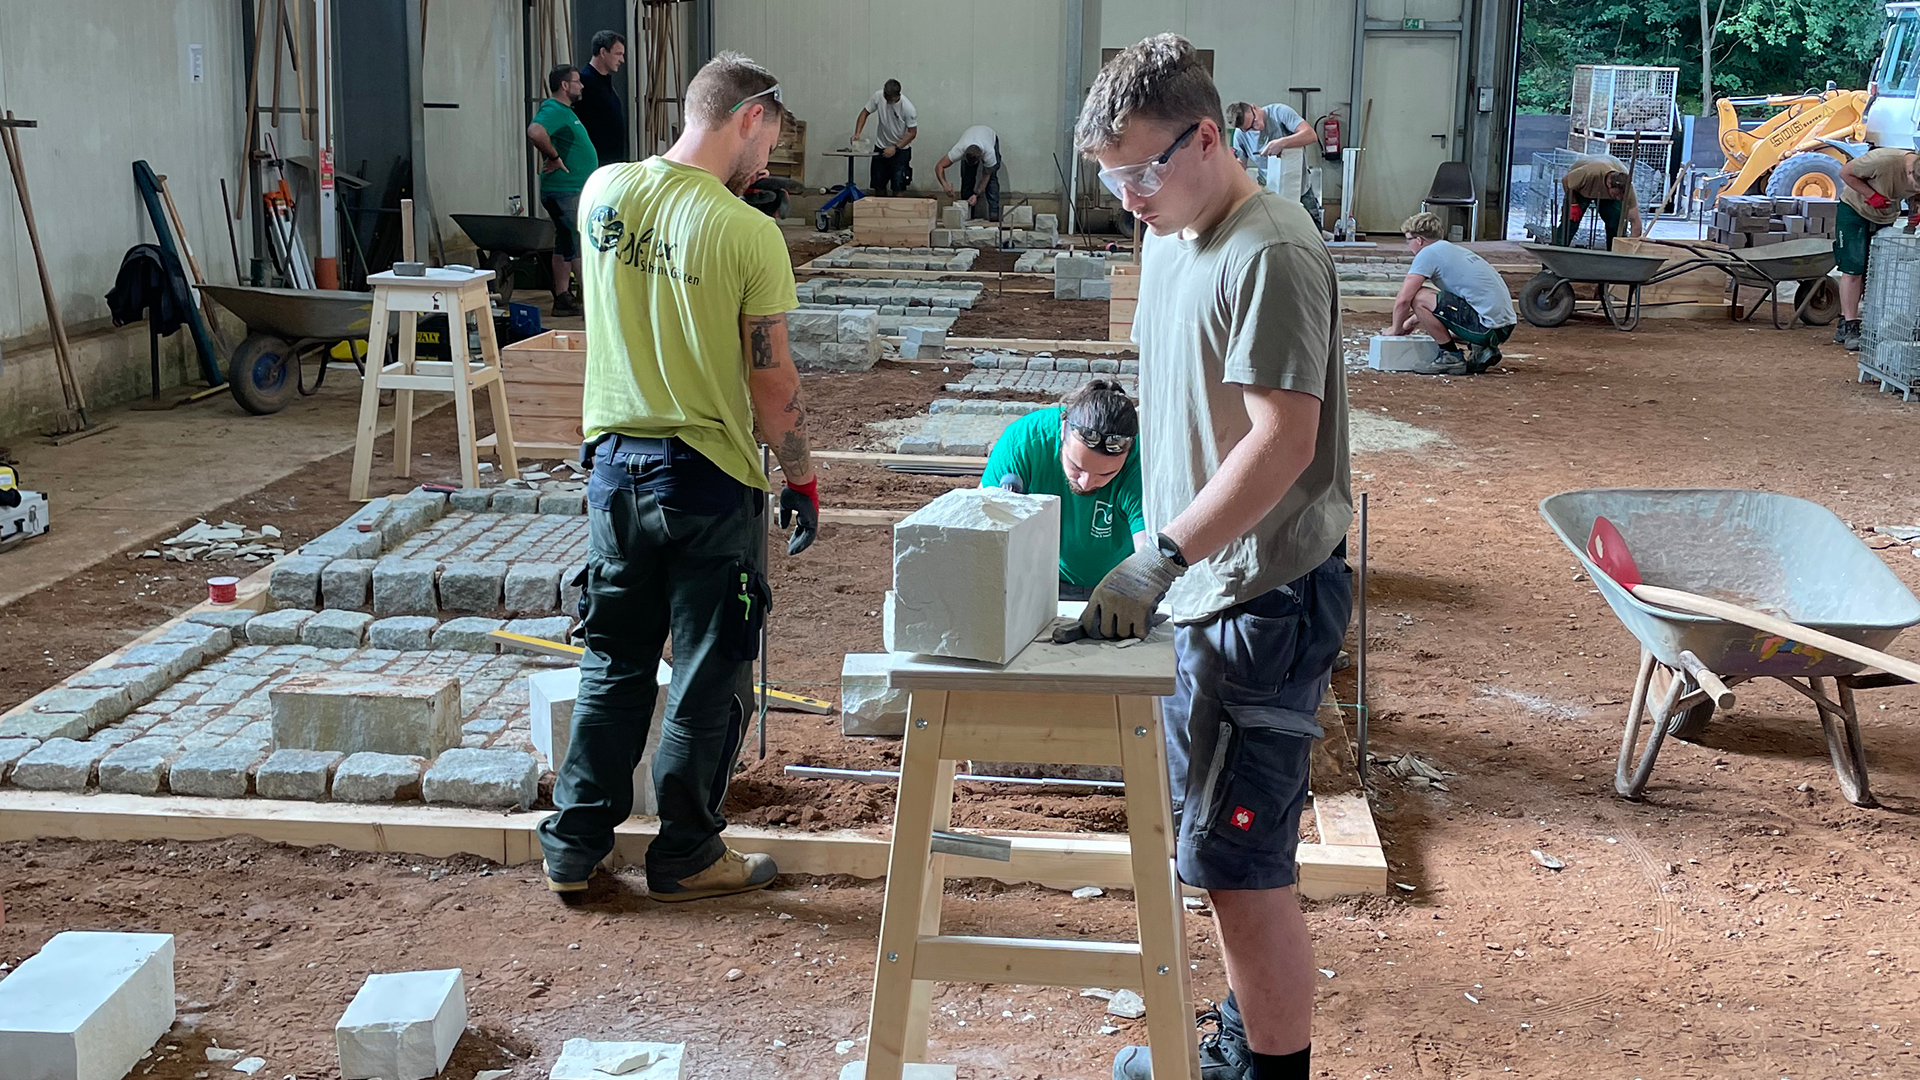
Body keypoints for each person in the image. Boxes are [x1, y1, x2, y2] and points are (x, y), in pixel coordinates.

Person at [1076, 34, 1353, 1080]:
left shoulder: (1268, 249)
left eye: (1143, 169)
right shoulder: (1167, 236)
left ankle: (1264, 1072)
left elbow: (1283, 440)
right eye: (1111, 177)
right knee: (1211, 849)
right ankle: (1238, 1043)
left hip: (1264, 595)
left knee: (1241, 866)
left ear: (1208, 136)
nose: (1130, 195)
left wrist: (1167, 551)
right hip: (1207, 588)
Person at [537, 53, 820, 904]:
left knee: (615, 661)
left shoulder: (602, 195)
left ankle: (575, 845)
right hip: (707, 479)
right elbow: (772, 384)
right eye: (769, 141)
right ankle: (687, 852)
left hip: (614, 471)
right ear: (749, 116)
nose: (768, 166)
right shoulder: (747, 233)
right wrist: (801, 479)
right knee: (710, 667)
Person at [983, 380, 1147, 601]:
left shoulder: (1142, 460)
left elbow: (1148, 546)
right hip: (1038, 576)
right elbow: (986, 529)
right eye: (1076, 467)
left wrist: (1141, 591)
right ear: (1063, 432)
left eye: (1105, 474)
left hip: (1119, 579)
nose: (1086, 483)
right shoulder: (1023, 442)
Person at [1388, 211, 1518, 376]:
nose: (1408, 245)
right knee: (1439, 328)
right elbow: (1452, 303)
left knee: (1419, 296)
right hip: (1502, 327)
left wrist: (1395, 330)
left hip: (1486, 327)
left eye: (1408, 240)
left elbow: (1404, 300)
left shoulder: (1427, 254)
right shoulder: (1452, 251)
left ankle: (1450, 356)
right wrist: (1411, 322)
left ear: (1419, 240)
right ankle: (1482, 348)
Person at [527, 64, 599, 316]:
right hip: (565, 191)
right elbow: (535, 131)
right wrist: (554, 156)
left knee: (565, 244)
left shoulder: (566, 112)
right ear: (565, 85)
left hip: (569, 190)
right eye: (577, 81)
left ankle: (563, 298)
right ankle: (592, 304)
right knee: (580, 243)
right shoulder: (553, 109)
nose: (581, 86)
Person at [1833, 147, 1920, 351]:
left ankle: (1868, 323)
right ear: (1909, 173)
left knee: (1874, 272)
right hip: (1855, 210)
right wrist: (1871, 195)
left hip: (1885, 215)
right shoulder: (1882, 161)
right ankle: (1850, 325)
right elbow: (1845, 172)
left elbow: (1916, 195)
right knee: (1853, 268)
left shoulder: (1918, 171)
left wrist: (1916, 209)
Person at [1553, 155, 1643, 248]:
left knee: (1616, 222)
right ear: (1609, 184)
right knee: (1570, 222)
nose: (1619, 197)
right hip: (1582, 188)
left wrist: (1632, 245)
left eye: (1621, 195)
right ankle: (1557, 250)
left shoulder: (1627, 189)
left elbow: (1635, 220)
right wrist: (1573, 204)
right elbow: (1565, 181)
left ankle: (1615, 253)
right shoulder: (1589, 173)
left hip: (1609, 174)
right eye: (1616, 194)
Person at [852, 78, 917, 195]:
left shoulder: (908, 108)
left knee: (898, 187)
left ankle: (896, 211)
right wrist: (857, 133)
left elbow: (912, 133)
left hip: (900, 151)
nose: (886, 101)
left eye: (890, 98)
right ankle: (879, 210)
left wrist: (895, 148)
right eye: (885, 97)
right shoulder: (878, 96)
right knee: (878, 185)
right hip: (881, 147)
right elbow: (864, 113)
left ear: (897, 95)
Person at [575, 30, 629, 166]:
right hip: (596, 162)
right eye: (618, 54)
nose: (622, 60)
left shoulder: (605, 82)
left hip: (612, 161)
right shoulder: (584, 83)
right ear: (603, 52)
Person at [935, 125, 1002, 221]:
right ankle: (966, 212)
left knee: (992, 178)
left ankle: (994, 212)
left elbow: (986, 176)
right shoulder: (959, 149)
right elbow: (939, 166)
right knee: (967, 177)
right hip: (971, 135)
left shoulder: (989, 152)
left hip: (989, 135)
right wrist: (945, 185)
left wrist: (976, 194)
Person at [1225, 101, 1318, 163]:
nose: (1256, 128)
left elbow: (1311, 135)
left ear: (1254, 108)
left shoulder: (1279, 112)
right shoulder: (1240, 134)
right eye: (1249, 129)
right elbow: (1241, 164)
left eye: (1254, 122)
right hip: (1267, 185)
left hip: (1297, 183)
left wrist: (1282, 143)